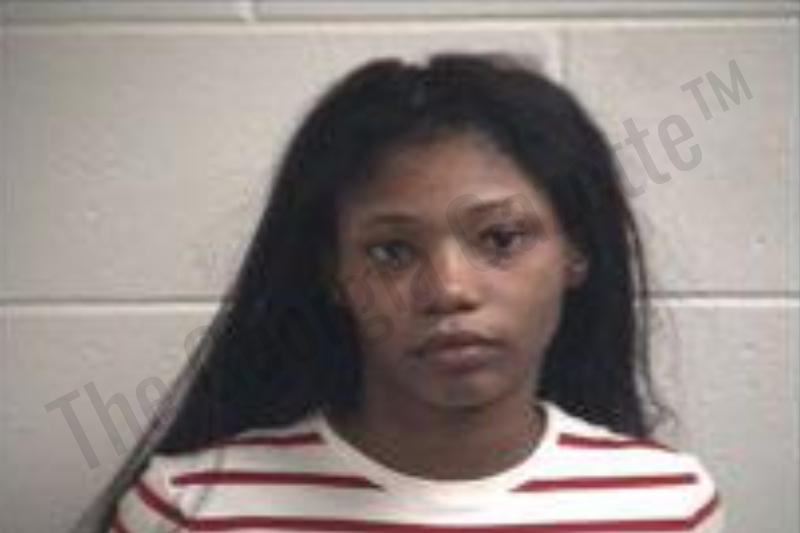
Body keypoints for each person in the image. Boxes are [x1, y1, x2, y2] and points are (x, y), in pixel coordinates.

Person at [74, 52, 724, 532]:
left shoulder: (668, 506)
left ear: (576, 251)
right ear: (333, 273)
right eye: (391, 251)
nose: (448, 290)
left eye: (501, 238)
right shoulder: (189, 507)